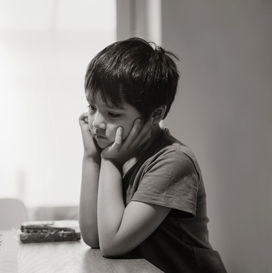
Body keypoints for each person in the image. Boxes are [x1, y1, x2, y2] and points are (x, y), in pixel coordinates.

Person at [78, 37, 227, 273]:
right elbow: (93, 237)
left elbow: (112, 243)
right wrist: (91, 158)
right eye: (92, 107)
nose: (96, 122)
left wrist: (109, 161)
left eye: (113, 114)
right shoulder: (119, 154)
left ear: (156, 114)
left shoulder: (173, 160)